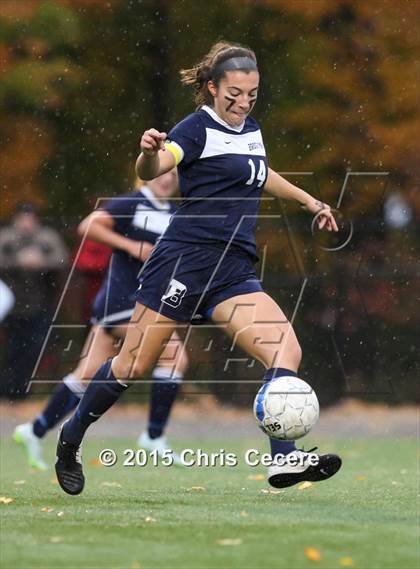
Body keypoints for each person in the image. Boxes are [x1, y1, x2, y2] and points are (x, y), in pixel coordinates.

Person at [55, 41, 342, 495]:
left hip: (232, 270)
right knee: (131, 367)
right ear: (212, 88)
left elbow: (261, 173)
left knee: (285, 351)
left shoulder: (250, 129)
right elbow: (155, 167)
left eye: (252, 93)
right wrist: (148, 152)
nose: (243, 102)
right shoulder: (195, 128)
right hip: (183, 264)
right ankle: (70, 439)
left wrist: (310, 201)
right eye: (234, 93)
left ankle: (283, 461)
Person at [13, 173, 188, 470]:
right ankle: (154, 436)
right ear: (144, 176)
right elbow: (88, 226)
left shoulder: (172, 213)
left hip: (139, 302)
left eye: (173, 173)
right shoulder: (131, 203)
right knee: (175, 356)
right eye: (161, 173)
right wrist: (130, 246)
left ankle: (34, 430)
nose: (167, 179)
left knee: (86, 375)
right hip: (122, 300)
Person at [0, 203, 68, 398]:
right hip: (11, 306)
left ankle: (22, 391)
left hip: (41, 305)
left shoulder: (47, 237)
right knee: (11, 350)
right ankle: (8, 390)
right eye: (22, 218)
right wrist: (17, 261)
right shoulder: (6, 237)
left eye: (30, 218)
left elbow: (62, 260)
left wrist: (41, 262)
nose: (26, 223)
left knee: (34, 349)